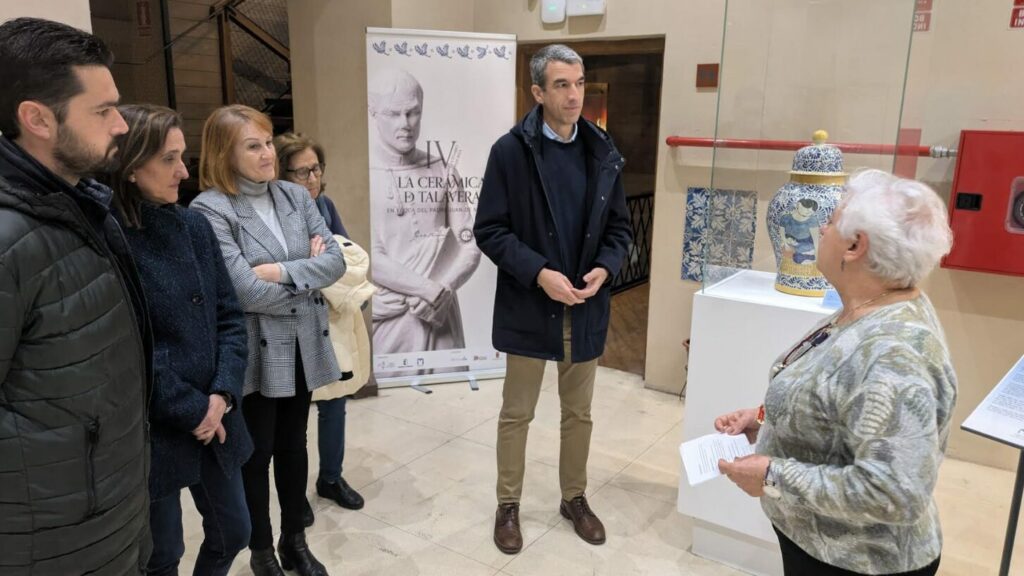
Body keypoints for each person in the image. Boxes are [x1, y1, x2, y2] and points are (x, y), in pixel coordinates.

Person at [716, 169, 957, 576]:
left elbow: (896, 493)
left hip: (860, 561)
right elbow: (841, 401)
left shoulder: (896, 352)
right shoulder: (868, 307)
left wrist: (773, 475)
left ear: (854, 245)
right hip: (822, 546)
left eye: (829, 222)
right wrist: (765, 420)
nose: (822, 230)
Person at [0, 17, 152, 575]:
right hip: (50, 545)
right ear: (37, 118)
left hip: (111, 518)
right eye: (103, 110)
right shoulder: (10, 240)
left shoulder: (78, 204)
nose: (121, 124)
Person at [473, 44, 633, 555]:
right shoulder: (509, 151)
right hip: (530, 301)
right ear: (538, 91)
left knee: (578, 412)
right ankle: (508, 504)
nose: (574, 95)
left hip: (585, 303)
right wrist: (539, 273)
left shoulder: (602, 150)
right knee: (517, 412)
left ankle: (574, 498)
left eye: (580, 83)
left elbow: (621, 229)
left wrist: (606, 267)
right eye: (562, 85)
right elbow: (490, 230)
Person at [191, 105, 345, 576]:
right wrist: (307, 275)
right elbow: (242, 290)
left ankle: (294, 539)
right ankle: (262, 550)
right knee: (256, 453)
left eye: (268, 142)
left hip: (302, 343)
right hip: (254, 351)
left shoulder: (295, 197)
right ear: (223, 152)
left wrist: (281, 271)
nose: (267, 153)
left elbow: (335, 261)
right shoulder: (210, 209)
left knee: (295, 445)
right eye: (252, 145)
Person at [110, 104, 253, 576]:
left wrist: (222, 394)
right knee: (161, 552)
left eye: (183, 156)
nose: (184, 171)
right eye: (170, 159)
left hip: (216, 411)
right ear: (131, 165)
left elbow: (230, 316)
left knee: (235, 530)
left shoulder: (194, 226)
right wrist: (193, 409)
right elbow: (123, 347)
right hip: (156, 422)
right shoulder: (109, 238)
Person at [367, 68, 481, 375]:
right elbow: (369, 256)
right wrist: (428, 290)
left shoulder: (443, 170)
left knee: (448, 408)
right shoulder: (362, 175)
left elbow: (470, 246)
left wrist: (443, 289)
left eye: (413, 112)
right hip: (392, 317)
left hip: (439, 314)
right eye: (394, 113)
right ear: (373, 111)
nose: (405, 124)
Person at [275, 132, 365, 518]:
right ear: (281, 175)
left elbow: (347, 256)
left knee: (335, 403)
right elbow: (281, 274)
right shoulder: (274, 215)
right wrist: (313, 266)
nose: (312, 178)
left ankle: (330, 477)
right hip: (290, 325)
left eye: (316, 168)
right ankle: (294, 497)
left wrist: (316, 265)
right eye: (301, 172)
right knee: (293, 417)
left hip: (331, 320)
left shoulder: (325, 205)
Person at [779, 198, 820, 265]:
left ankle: (809, 257)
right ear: (799, 204)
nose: (810, 211)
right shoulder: (785, 218)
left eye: (812, 210)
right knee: (789, 253)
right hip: (791, 241)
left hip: (806, 243)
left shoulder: (812, 220)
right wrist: (785, 243)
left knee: (798, 257)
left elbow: (816, 240)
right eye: (807, 208)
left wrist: (817, 256)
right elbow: (782, 234)